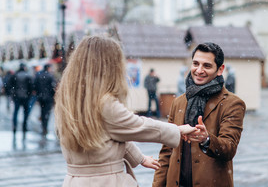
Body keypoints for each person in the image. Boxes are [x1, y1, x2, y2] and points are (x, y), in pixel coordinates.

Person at [54, 35, 196, 187]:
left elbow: (112, 134)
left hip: (75, 180)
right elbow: (139, 126)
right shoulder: (105, 104)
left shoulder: (68, 101)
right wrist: (178, 129)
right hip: (106, 181)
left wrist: (140, 158)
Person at [153, 42, 246, 187]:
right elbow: (166, 152)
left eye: (207, 66)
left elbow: (229, 148)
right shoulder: (179, 102)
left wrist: (206, 139)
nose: (199, 70)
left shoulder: (232, 104)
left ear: (220, 69)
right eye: (195, 64)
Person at [8, 63, 33, 139]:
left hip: (17, 97)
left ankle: (14, 126)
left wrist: (13, 93)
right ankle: (24, 127)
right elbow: (31, 87)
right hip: (25, 97)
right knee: (25, 113)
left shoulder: (15, 75)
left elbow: (10, 85)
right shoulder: (28, 76)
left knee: (16, 112)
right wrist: (29, 95)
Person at [34, 64, 57, 138]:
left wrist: (38, 94)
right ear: (48, 68)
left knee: (42, 112)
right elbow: (53, 87)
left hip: (41, 97)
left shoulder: (39, 76)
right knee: (47, 113)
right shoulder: (50, 76)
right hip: (48, 98)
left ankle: (43, 126)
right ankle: (45, 127)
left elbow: (35, 86)